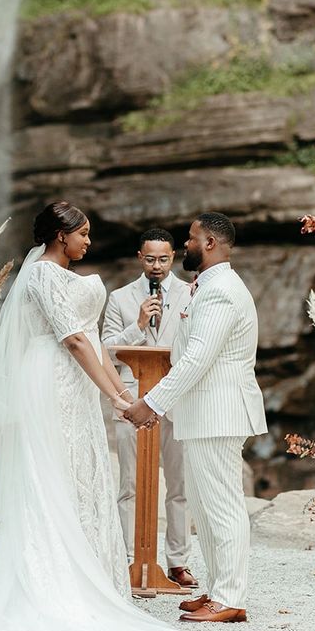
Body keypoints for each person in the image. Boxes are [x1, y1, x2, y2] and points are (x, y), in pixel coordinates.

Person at [0, 202, 203, 631]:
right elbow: (74, 339)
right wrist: (114, 395)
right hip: (50, 381)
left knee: (82, 475)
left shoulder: (66, 276)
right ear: (61, 236)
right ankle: (49, 584)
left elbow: (93, 340)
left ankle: (86, 577)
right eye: (83, 233)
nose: (88, 241)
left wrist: (120, 397)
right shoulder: (41, 274)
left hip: (76, 383)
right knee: (51, 476)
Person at [124, 213, 267, 624]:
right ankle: (219, 589)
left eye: (190, 239)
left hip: (218, 412)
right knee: (204, 508)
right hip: (204, 413)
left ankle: (230, 598)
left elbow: (197, 360)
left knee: (221, 505)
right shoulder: (206, 286)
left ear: (209, 243)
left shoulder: (220, 290)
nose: (185, 245)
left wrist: (150, 403)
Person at [101, 227, 196, 587]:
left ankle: (177, 561)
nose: (157, 266)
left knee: (178, 484)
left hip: (175, 400)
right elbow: (107, 349)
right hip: (132, 399)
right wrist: (138, 325)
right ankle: (129, 558)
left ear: (173, 258)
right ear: (140, 258)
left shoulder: (191, 294)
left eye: (164, 259)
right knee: (129, 482)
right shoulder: (120, 297)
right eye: (150, 259)